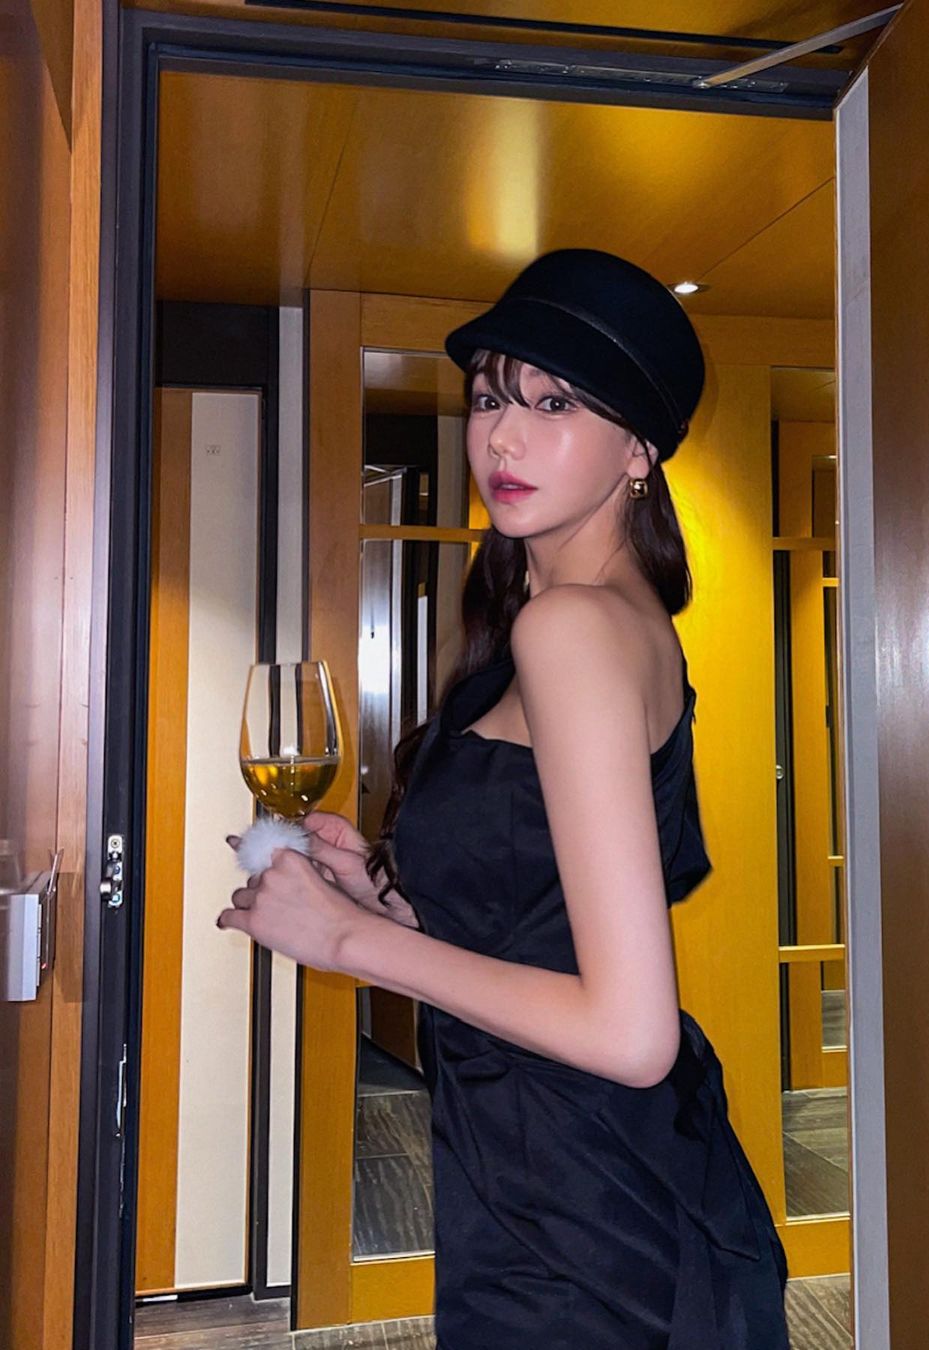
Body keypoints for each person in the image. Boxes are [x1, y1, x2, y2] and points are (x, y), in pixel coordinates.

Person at [218, 247, 790, 1348]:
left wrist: (347, 941)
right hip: (559, 1174)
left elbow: (631, 1032)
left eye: (554, 403)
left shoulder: (571, 629)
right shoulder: (600, 616)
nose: (502, 438)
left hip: (578, 1217)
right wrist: (388, 898)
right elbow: (547, 927)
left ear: (640, 450)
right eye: (490, 397)